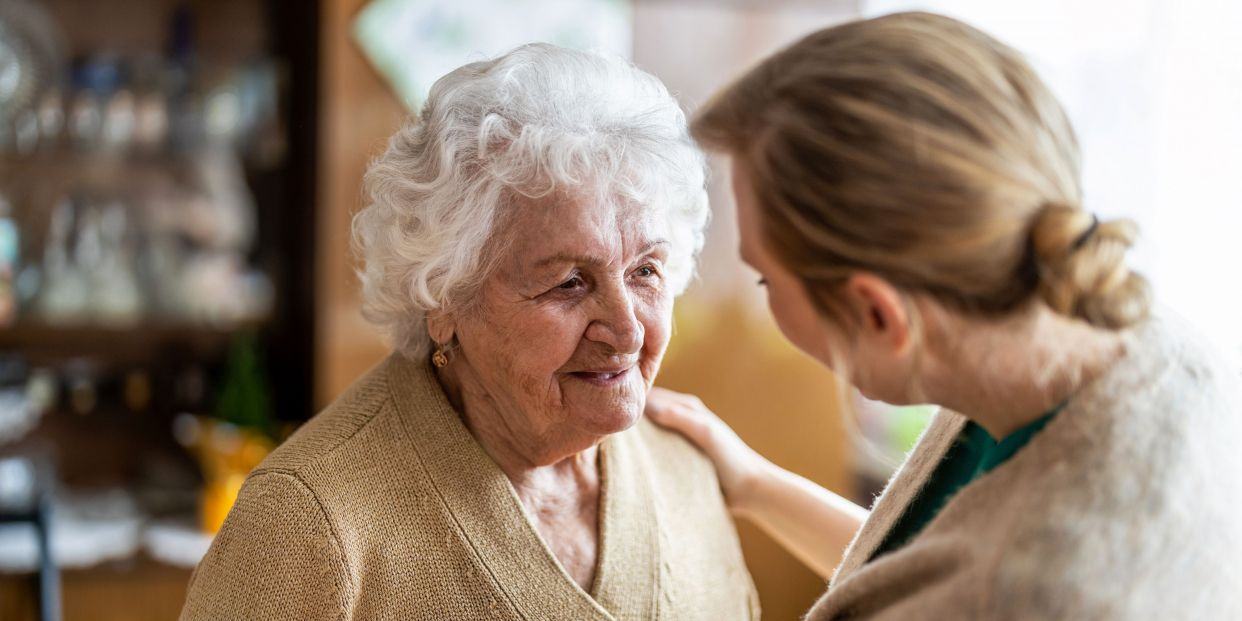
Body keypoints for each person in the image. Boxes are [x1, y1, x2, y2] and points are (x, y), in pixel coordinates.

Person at [647, 12, 1242, 620]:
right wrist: (753, 484)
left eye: (766, 277)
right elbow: (930, 565)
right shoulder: (1131, 342)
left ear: (877, 314)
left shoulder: (1053, 591)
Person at [180, 43, 759, 621]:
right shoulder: (307, 523)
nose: (627, 332)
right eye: (568, 283)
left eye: (645, 272)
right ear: (443, 296)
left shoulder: (686, 466)